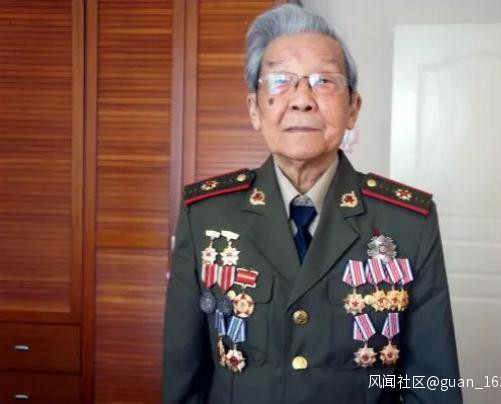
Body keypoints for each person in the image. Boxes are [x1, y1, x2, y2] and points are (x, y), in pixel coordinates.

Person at [163, 4, 461, 404]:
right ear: (254, 109)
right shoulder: (204, 215)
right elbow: (184, 377)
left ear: (353, 108)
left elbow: (431, 383)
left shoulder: (408, 222)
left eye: (323, 81)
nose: (301, 100)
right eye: (281, 80)